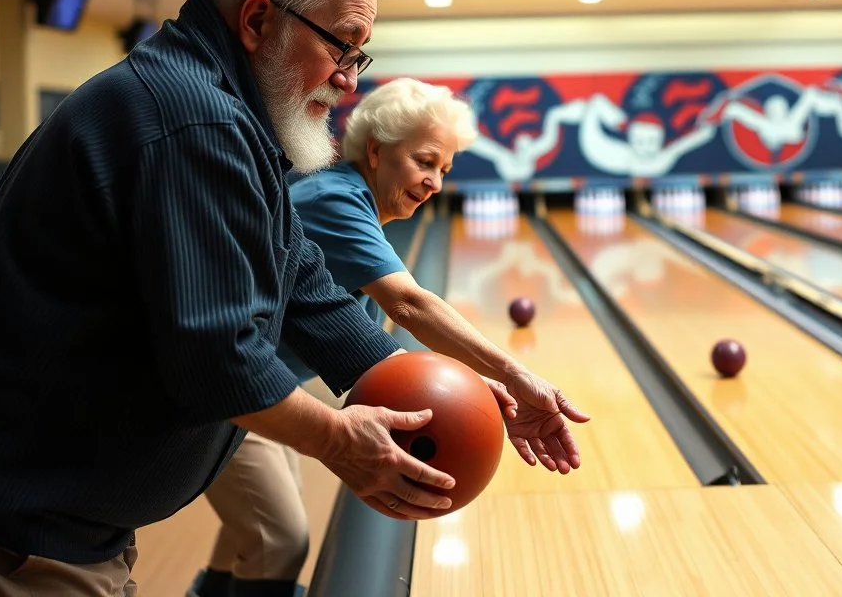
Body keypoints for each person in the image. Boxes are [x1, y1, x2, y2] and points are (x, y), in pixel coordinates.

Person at [0, 0, 585, 596]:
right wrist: (338, 440)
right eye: (341, 46)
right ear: (259, 20)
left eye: (360, 54)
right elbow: (215, 354)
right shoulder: (194, 122)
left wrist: (442, 388)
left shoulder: (228, 115)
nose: (346, 79)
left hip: (39, 495)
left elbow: (303, 281)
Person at [190, 78, 590, 597]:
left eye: (444, 170)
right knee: (281, 538)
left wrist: (470, 395)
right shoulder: (333, 200)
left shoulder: (349, 197)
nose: (435, 184)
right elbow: (410, 303)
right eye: (425, 162)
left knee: (256, 525)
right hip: (231, 384)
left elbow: (374, 341)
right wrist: (514, 373)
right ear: (376, 151)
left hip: (267, 385)